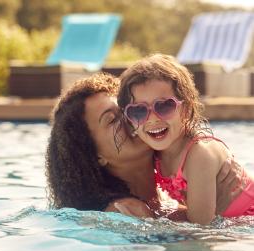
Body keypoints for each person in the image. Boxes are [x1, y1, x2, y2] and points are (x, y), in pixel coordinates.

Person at [46, 72, 243, 220]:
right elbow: (202, 247)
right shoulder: (126, 211)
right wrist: (221, 212)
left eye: (132, 109)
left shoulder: (172, 186)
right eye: (112, 119)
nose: (135, 119)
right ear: (96, 156)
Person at [118, 54, 253, 224]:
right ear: (129, 118)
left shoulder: (200, 154)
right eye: (138, 111)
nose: (152, 118)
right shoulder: (153, 153)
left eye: (165, 106)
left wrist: (152, 219)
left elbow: (200, 229)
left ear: (187, 107)